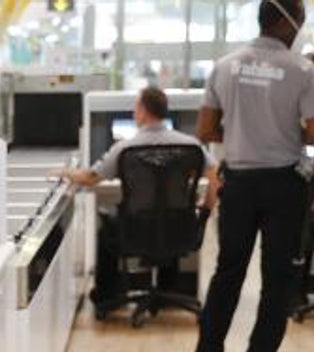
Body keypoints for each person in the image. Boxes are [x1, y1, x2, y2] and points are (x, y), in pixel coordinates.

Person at [189, 0, 314, 352]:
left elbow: (204, 128)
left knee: (228, 272)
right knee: (277, 280)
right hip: (284, 187)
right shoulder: (302, 70)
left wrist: (240, 134)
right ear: (290, 23)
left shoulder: (225, 65)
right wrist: (284, 133)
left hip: (238, 183)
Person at [63, 87, 219, 309]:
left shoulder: (125, 148)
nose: (134, 113)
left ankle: (106, 296)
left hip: (136, 231)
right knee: (169, 219)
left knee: (106, 229)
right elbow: (217, 177)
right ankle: (168, 290)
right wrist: (205, 210)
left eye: (136, 108)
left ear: (144, 111)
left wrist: (66, 173)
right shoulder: (192, 146)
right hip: (179, 229)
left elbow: (90, 178)